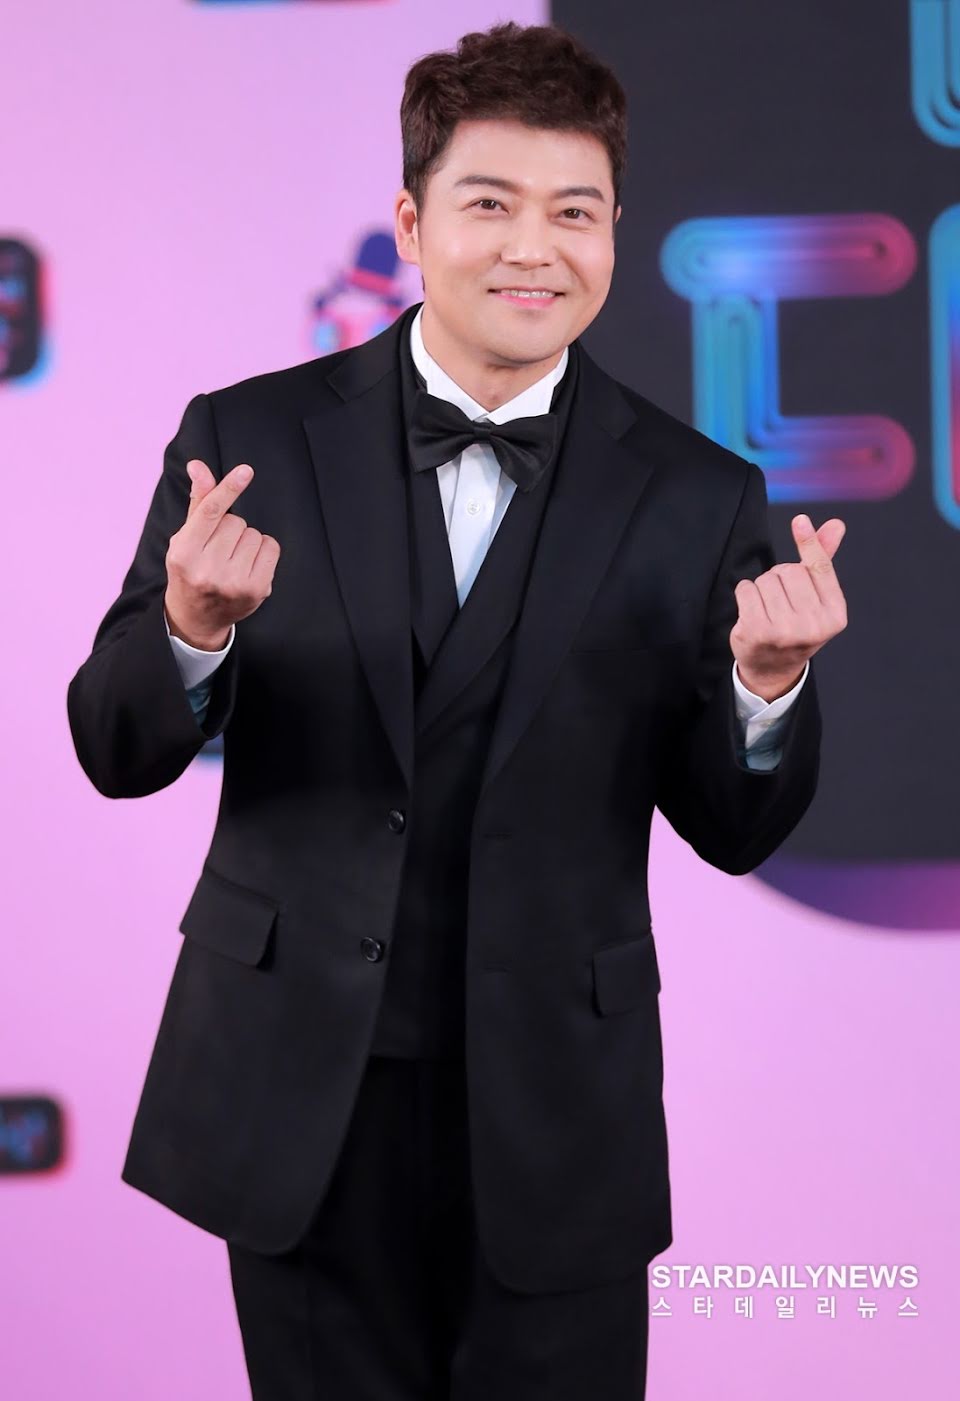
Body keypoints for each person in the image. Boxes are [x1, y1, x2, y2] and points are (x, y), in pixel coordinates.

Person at [66, 20, 847, 1401]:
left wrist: (766, 687)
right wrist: (189, 627)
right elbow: (115, 748)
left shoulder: (698, 493)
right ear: (413, 224)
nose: (534, 248)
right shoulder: (246, 441)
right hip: (298, 1091)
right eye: (491, 204)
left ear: (616, 235)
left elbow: (735, 828)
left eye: (575, 212)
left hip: (561, 1109)